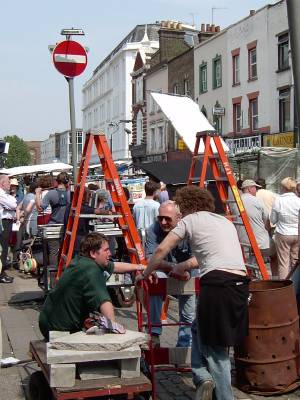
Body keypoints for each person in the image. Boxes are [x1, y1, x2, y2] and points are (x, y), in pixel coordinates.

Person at [138, 186, 249, 400]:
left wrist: (146, 273)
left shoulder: (191, 220)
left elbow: (161, 250)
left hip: (217, 285)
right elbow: (207, 255)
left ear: (186, 207)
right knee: (199, 329)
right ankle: (202, 377)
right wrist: (184, 266)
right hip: (239, 285)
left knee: (215, 351)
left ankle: (218, 391)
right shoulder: (223, 222)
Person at [39, 232, 145, 340]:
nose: (110, 253)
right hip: (58, 328)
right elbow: (104, 302)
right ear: (93, 253)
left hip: (47, 320)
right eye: (106, 250)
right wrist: (114, 332)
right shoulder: (91, 271)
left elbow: (114, 266)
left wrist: (139, 267)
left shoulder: (81, 261)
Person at [145, 200, 196, 347]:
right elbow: (151, 259)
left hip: (187, 272)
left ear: (179, 217)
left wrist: (183, 269)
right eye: (160, 217)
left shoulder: (189, 230)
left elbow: (197, 257)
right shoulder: (153, 229)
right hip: (167, 270)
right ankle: (154, 333)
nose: (163, 222)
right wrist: (174, 267)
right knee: (155, 280)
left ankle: (184, 346)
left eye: (168, 218)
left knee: (188, 309)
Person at [238, 179, 277, 276]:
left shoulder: (237, 201)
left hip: (242, 240)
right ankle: (276, 278)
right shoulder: (256, 200)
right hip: (258, 241)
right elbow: (267, 219)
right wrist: (266, 230)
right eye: (255, 188)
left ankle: (253, 271)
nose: (256, 191)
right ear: (249, 189)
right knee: (276, 253)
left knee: (254, 254)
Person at [35, 172, 70, 265]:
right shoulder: (70, 194)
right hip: (67, 227)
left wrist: (37, 194)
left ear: (57, 181)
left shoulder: (51, 193)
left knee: (53, 252)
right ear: (68, 182)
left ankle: (53, 276)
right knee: (66, 251)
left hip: (53, 226)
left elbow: (39, 209)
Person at [270, 177, 300, 279]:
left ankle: (284, 287)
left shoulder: (279, 200)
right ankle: (295, 286)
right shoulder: (298, 200)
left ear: (283, 187)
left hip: (283, 233)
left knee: (283, 262)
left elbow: (273, 220)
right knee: (295, 261)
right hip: (297, 233)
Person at [0, 175, 20, 283]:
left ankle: (2, 272)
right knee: (3, 249)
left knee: (5, 248)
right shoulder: (1, 194)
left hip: (6, 222)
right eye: (8, 182)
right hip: (4, 223)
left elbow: (13, 204)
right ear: (2, 183)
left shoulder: (5, 194)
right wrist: (12, 205)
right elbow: (13, 204)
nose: (10, 184)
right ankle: (1, 274)